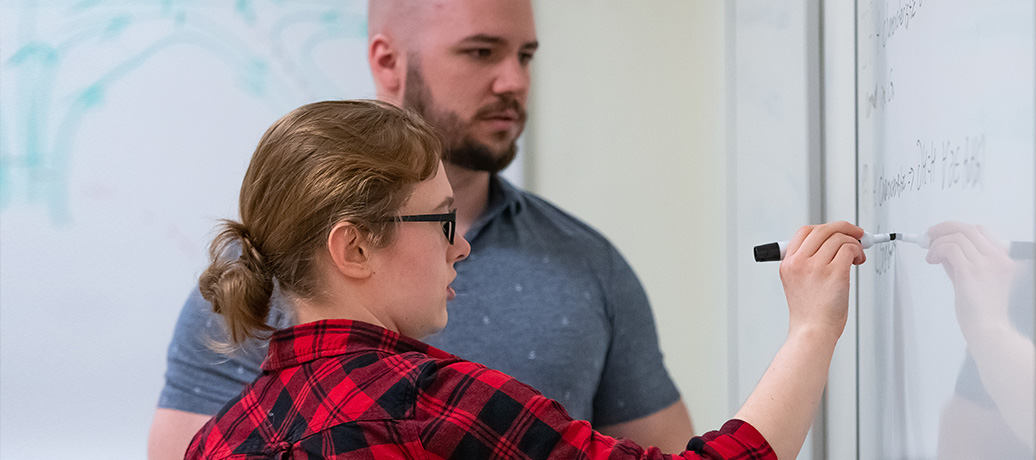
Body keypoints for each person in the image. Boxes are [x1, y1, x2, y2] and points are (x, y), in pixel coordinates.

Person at [150, 1, 691, 457]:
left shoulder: (589, 263)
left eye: (525, 56)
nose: (515, 81)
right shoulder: (266, 273)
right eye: (480, 52)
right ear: (388, 61)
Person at [183, 99, 865, 459]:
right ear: (354, 248)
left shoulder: (214, 441)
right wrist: (811, 329)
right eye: (441, 223)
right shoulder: (431, 407)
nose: (462, 251)